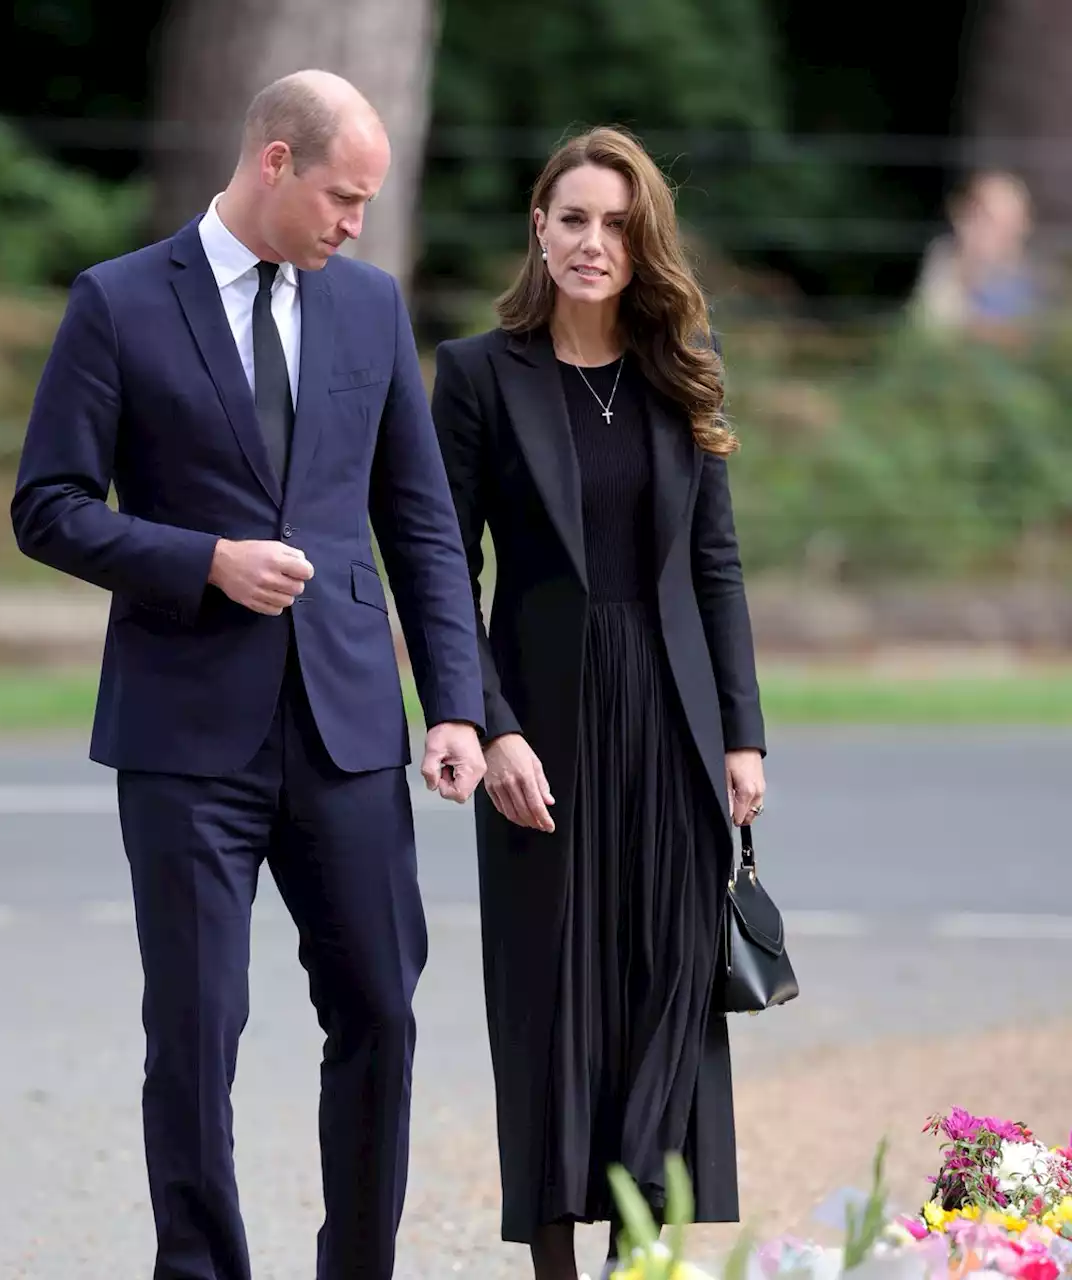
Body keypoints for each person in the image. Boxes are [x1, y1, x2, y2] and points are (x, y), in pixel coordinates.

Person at [11, 70, 487, 1280]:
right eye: (341, 195)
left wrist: (454, 704)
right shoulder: (117, 303)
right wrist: (201, 560)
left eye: (367, 203)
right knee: (195, 1031)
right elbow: (48, 509)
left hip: (345, 732)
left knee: (380, 1009)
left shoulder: (370, 309)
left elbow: (421, 525)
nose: (353, 225)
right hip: (182, 737)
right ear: (274, 160)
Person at [430, 126, 768, 1279]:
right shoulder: (477, 375)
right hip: (542, 728)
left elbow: (713, 565)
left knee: (667, 990)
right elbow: (441, 567)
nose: (592, 241)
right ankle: (559, 1266)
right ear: (538, 226)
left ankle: (640, 1256)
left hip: (671, 727)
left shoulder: (682, 363)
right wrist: (490, 721)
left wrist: (740, 731)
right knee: (552, 998)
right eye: (572, 217)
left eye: (615, 223)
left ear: (642, 241)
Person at [909, 170, 1042, 348]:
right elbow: (937, 332)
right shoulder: (946, 266)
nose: (1008, 234)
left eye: (1014, 221)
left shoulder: (1037, 276)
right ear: (963, 219)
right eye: (993, 220)